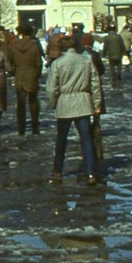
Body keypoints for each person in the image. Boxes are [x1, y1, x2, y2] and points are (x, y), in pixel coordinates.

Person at [47, 31, 104, 185]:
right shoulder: (86, 61)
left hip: (64, 103)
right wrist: (96, 105)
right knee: (86, 139)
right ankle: (91, 172)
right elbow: (95, 85)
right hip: (83, 102)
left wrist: (54, 103)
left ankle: (58, 169)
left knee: (61, 139)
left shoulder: (57, 63)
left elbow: (51, 89)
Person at [6, 22, 43, 135]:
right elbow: (39, 63)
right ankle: (34, 126)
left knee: (20, 103)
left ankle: (21, 128)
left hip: (19, 75)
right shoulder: (34, 46)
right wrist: (37, 74)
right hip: (31, 74)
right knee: (33, 101)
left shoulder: (13, 45)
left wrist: (13, 72)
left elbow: (9, 61)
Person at [81, 33, 106, 167]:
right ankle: (98, 157)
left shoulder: (80, 56)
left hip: (82, 94)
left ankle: (87, 158)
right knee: (96, 127)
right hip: (95, 91)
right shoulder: (94, 55)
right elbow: (102, 70)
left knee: (84, 129)